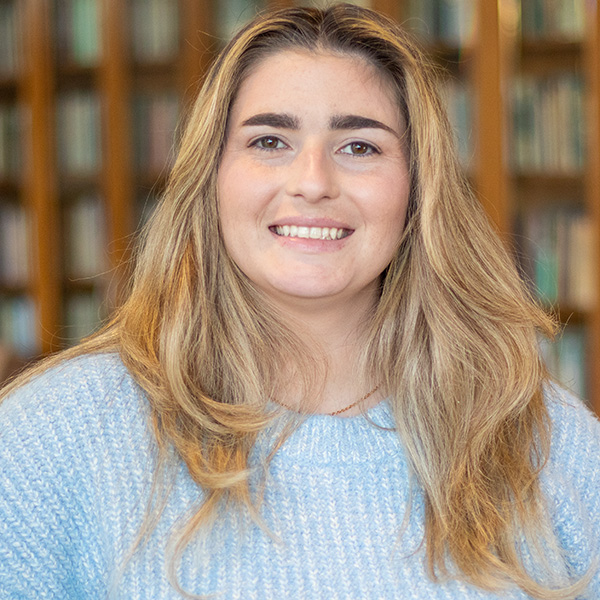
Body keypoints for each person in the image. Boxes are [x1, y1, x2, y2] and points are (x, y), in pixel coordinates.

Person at [0, 4, 598, 599]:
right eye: (269, 140)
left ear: (419, 189)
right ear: (210, 179)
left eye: (360, 147)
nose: (313, 182)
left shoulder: (538, 436)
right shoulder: (55, 436)